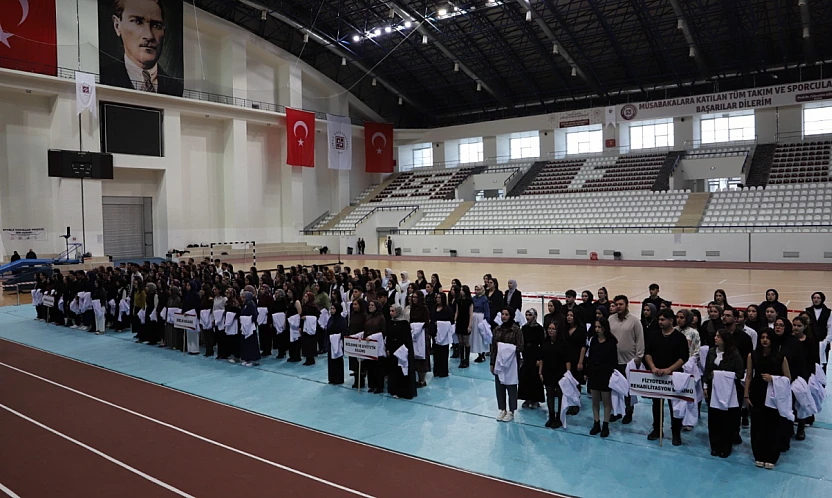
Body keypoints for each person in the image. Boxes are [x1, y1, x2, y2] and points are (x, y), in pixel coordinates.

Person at [102, 0, 184, 96]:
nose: (149, 36)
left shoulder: (176, 87)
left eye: (156, 26)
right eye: (137, 21)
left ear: (164, 32)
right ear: (117, 25)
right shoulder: (104, 77)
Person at [744, 329, 791, 470]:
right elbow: (749, 376)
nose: (765, 340)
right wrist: (746, 394)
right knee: (758, 426)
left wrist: (773, 379)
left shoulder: (780, 357)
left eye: (767, 338)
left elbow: (788, 378)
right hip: (757, 392)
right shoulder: (752, 355)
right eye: (762, 337)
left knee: (773, 426)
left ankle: (771, 456)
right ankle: (759, 454)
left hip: (773, 395)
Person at [644, 309, 689, 446]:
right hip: (656, 375)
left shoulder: (679, 338)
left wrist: (669, 370)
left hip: (674, 377)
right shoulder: (654, 335)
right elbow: (648, 353)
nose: (660, 322)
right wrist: (653, 368)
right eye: (659, 320)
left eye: (663, 319)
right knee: (656, 405)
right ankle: (657, 429)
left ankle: (676, 432)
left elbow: (684, 357)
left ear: (671, 320)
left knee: (675, 406)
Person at [704, 329, 745, 458]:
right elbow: (707, 371)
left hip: (729, 392)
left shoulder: (734, 354)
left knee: (727, 421)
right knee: (713, 419)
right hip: (713, 389)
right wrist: (705, 386)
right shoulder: (711, 352)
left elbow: (740, 373)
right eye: (715, 335)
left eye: (718, 336)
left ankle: (726, 447)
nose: (715, 338)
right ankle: (715, 446)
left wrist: (720, 375)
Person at [609, 295, 644, 424]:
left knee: (628, 390)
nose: (618, 306)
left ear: (627, 305)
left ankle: (629, 412)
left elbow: (640, 339)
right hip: (613, 360)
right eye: (616, 304)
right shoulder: (610, 319)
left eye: (621, 304)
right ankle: (617, 411)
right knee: (614, 388)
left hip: (629, 362)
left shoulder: (634, 321)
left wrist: (638, 357)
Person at [586, 317, 618, 438]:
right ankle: (596, 423)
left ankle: (605, 424)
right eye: (596, 327)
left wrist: (612, 375)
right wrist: (587, 372)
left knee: (606, 401)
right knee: (594, 400)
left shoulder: (611, 342)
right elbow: (590, 357)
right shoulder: (593, 340)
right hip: (594, 373)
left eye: (599, 327)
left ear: (605, 328)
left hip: (606, 375)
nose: (597, 329)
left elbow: (614, 360)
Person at [491, 307, 524, 422]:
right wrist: (492, 363)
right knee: (499, 386)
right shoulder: (497, 330)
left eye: (506, 314)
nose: (504, 316)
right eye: (503, 314)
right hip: (499, 362)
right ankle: (502, 409)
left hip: (512, 363)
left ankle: (511, 411)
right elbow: (493, 347)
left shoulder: (516, 330)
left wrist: (507, 350)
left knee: (511, 387)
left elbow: (520, 346)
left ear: (511, 316)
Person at [791, 315, 818, 441]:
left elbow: (813, 360)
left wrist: (810, 376)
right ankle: (789, 425)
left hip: (803, 375)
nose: (796, 328)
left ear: (805, 327)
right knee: (789, 401)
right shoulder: (789, 339)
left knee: (801, 401)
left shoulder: (809, 341)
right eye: (794, 325)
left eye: (799, 326)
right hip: (790, 374)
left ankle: (801, 427)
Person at [539, 320, 570, 429]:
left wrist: (568, 374)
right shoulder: (545, 342)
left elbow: (567, 360)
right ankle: (551, 416)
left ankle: (559, 417)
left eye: (553, 329)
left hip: (560, 372)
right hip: (548, 372)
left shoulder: (563, 343)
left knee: (560, 395)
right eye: (549, 328)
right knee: (550, 394)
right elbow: (541, 358)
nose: (550, 331)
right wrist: (540, 372)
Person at [386, 304, 417, 399]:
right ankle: (394, 390)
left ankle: (404, 391)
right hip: (392, 350)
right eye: (390, 311)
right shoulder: (390, 323)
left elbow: (407, 339)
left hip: (402, 350)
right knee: (394, 371)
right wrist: (387, 348)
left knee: (403, 370)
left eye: (393, 311)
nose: (391, 313)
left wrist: (404, 350)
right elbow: (388, 337)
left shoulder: (404, 324)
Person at [519, 309, 545, 409]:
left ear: (534, 316)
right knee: (525, 376)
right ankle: (527, 398)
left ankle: (535, 399)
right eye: (526, 315)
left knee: (535, 377)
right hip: (526, 354)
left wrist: (540, 358)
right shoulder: (524, 328)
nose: (528, 317)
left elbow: (542, 344)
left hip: (535, 354)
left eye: (530, 315)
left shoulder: (539, 328)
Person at [564, 309, 587, 415]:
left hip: (577, 358)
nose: (569, 317)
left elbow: (583, 347)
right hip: (566, 358)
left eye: (571, 315)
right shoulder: (564, 328)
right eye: (567, 315)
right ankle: (570, 403)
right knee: (568, 381)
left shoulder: (581, 330)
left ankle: (576, 403)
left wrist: (581, 361)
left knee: (576, 381)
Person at [364, 300, 387, 393]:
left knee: (378, 367)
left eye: (372, 305)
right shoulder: (368, 317)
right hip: (369, 344)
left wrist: (372, 337)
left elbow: (383, 333)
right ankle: (372, 385)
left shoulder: (381, 318)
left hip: (377, 344)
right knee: (370, 366)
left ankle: (379, 386)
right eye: (369, 305)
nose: (370, 307)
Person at [806, 292, 831, 372]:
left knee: (822, 366)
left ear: (822, 299)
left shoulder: (828, 312)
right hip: (810, 342)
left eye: (818, 298)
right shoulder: (807, 310)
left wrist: (826, 341)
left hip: (823, 342)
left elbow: (830, 327)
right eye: (814, 298)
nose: (816, 300)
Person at [409, 291, 430, 387]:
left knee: (422, 357)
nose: (413, 299)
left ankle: (422, 380)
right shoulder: (412, 309)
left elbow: (426, 323)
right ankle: (417, 378)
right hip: (414, 334)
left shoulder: (424, 309)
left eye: (416, 297)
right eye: (413, 297)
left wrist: (418, 327)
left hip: (422, 335)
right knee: (415, 357)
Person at [431, 292, 452, 378]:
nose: (438, 299)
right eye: (437, 297)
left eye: (439, 297)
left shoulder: (447, 309)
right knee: (436, 353)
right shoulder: (434, 308)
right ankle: (436, 371)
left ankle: (443, 371)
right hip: (435, 333)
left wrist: (439, 324)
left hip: (444, 334)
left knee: (443, 353)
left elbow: (451, 322)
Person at [326, 302, 347, 385]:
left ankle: (338, 378)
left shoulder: (342, 320)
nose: (332, 310)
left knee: (337, 360)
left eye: (334, 309)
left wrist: (337, 337)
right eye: (331, 308)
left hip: (338, 343)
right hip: (331, 342)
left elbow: (344, 331)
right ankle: (332, 378)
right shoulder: (330, 319)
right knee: (331, 361)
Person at [239, 290, 261, 366]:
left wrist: (248, 320)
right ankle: (246, 358)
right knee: (245, 343)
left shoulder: (252, 305)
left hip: (250, 326)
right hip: (244, 326)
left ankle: (252, 359)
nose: (242, 299)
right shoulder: (244, 305)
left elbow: (255, 315)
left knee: (251, 343)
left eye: (244, 297)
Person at [455, 285, 474, 368]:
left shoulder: (470, 301)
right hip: (459, 322)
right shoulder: (458, 300)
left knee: (466, 341)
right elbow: (457, 312)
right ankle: (461, 359)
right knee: (460, 342)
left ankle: (467, 360)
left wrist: (470, 325)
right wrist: (454, 321)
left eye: (462, 290)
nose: (461, 291)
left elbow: (471, 314)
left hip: (466, 322)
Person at [471, 284, 491, 363]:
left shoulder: (484, 299)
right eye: (475, 289)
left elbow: (487, 311)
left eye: (478, 289)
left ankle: (482, 353)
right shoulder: (473, 298)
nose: (476, 291)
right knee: (476, 337)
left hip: (481, 319)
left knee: (481, 337)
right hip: (474, 319)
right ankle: (479, 353)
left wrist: (486, 321)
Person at [300, 292, 320, 366]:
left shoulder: (313, 307)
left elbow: (317, 316)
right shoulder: (304, 306)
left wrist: (307, 318)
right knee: (305, 343)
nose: (304, 298)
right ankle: (307, 358)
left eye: (306, 296)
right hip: (305, 327)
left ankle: (311, 358)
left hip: (312, 327)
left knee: (311, 343)